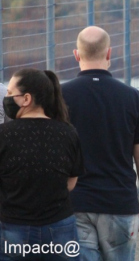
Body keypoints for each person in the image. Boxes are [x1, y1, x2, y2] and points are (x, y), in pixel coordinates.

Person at [63, 26, 139, 260]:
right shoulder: (131, 96)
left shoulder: (61, 96)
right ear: (109, 54)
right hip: (119, 202)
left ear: (76, 55)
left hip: (74, 203)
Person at [0, 69, 84, 259]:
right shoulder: (68, 132)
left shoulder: (3, 134)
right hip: (60, 227)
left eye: (10, 93)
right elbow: (71, 183)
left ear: (26, 99)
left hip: (13, 228)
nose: (6, 98)